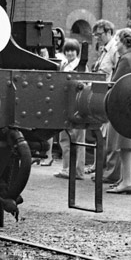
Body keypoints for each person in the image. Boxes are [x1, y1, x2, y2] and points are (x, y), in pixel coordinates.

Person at [106, 29, 131, 194]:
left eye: (117, 41)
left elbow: (115, 83)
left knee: (125, 145)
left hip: (125, 106)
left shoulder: (126, 59)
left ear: (125, 42)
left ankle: (126, 183)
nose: (116, 44)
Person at [88, 20, 120, 182]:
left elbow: (116, 74)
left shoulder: (114, 49)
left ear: (109, 32)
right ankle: (102, 168)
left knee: (108, 135)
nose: (97, 38)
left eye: (99, 35)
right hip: (102, 97)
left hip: (109, 96)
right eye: (95, 35)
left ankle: (109, 171)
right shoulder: (104, 50)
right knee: (103, 133)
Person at [54, 39, 86, 180]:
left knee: (78, 139)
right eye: (67, 50)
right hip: (65, 106)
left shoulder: (81, 66)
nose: (70, 53)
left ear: (77, 51)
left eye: (72, 50)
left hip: (77, 106)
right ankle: (66, 168)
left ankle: (78, 170)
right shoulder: (64, 65)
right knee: (65, 139)